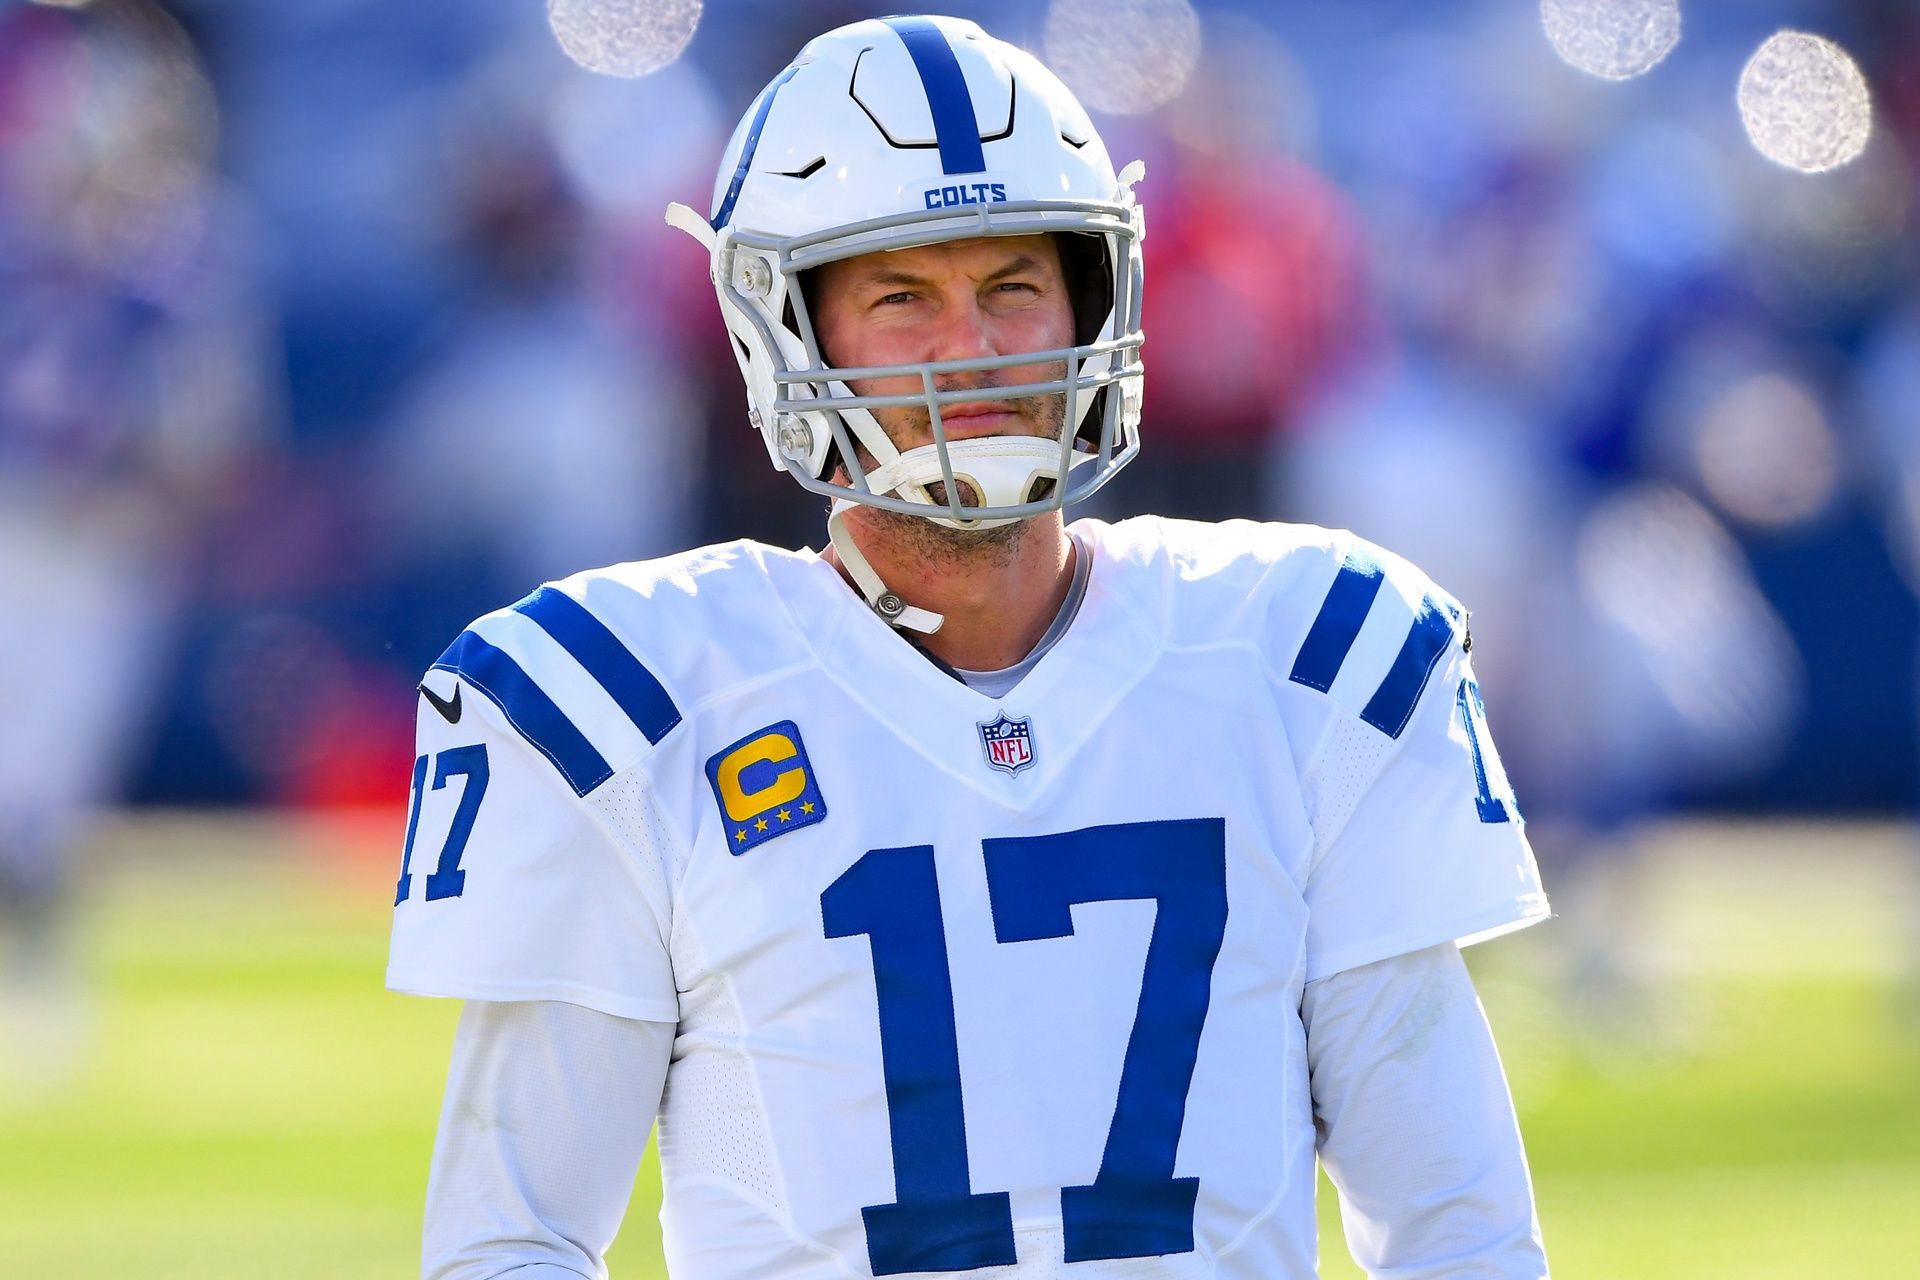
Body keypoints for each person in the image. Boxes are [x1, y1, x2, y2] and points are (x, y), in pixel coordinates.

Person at [388, 16, 1551, 1279]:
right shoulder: (638, 702)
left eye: (1012, 286)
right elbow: (513, 1241)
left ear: (1091, 301)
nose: (975, 349)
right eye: (903, 298)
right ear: (791, 332)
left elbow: (1460, 1227)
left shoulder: (1302, 658)